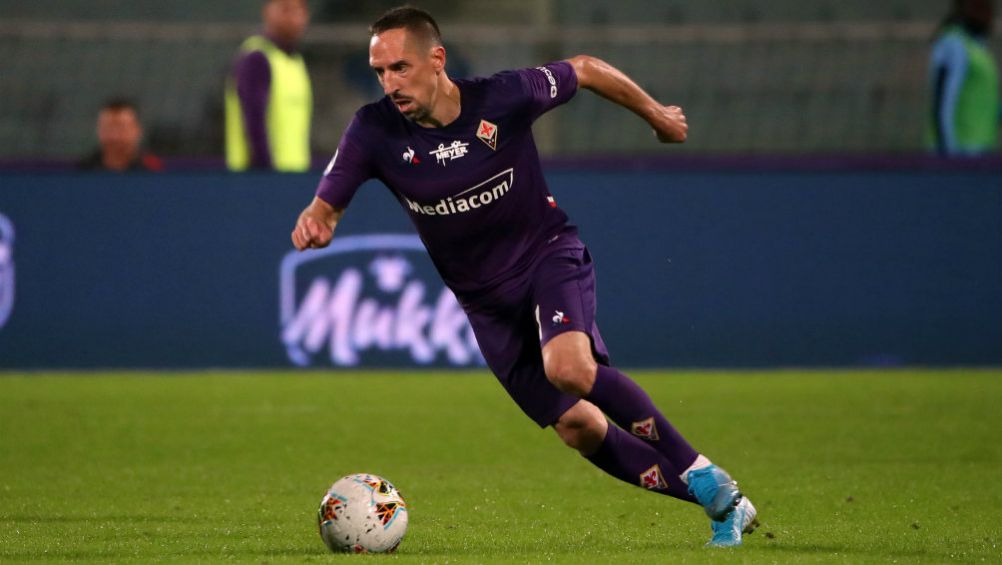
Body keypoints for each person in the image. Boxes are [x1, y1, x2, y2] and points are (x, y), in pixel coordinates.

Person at [291, 6, 758, 547]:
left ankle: (699, 468)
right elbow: (326, 205)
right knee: (577, 426)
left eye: (401, 68)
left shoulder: (502, 97)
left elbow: (583, 68)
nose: (390, 83)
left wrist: (656, 115)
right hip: (486, 306)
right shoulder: (373, 130)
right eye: (380, 72)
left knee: (569, 369)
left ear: (437, 59)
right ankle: (726, 505)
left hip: (548, 258)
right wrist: (317, 222)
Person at [225, 0, 313, 172]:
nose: (296, 17)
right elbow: (253, 122)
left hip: (293, 176)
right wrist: (266, 175)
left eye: (301, 9)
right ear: (268, 11)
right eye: (286, 9)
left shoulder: (294, 61)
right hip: (261, 180)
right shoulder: (257, 58)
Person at [927, 0, 1000, 156]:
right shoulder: (954, 44)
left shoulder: (978, 48)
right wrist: (948, 154)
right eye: (980, 8)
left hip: (978, 151)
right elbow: (942, 103)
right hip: (957, 156)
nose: (988, 15)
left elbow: (983, 104)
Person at [77, 98, 163, 172]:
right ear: (98, 130)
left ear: (137, 130)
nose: (114, 136)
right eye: (108, 128)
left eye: (122, 128)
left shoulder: (153, 171)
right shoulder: (81, 172)